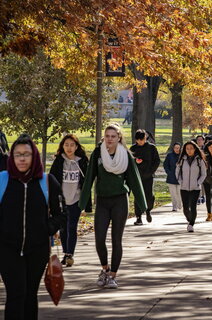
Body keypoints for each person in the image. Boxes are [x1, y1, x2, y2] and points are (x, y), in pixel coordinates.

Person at [0, 134, 66, 319]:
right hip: (7, 249)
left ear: (34, 156)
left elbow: (62, 213)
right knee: (16, 294)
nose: (22, 158)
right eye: (18, 154)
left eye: (26, 154)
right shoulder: (2, 180)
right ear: (11, 157)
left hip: (37, 249)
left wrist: (47, 228)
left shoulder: (47, 182)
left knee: (30, 295)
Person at [79, 123, 147, 289]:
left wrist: (143, 205)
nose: (109, 139)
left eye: (113, 136)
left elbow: (134, 180)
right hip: (102, 200)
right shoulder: (97, 154)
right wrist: (82, 204)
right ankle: (105, 269)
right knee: (99, 239)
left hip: (119, 201)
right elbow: (89, 179)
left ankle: (113, 275)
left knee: (116, 240)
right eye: (107, 136)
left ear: (119, 138)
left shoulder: (126, 155)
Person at [50, 133, 91, 267]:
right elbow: (52, 180)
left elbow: (87, 181)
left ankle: (69, 254)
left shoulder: (82, 160)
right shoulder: (59, 160)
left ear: (76, 146)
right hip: (62, 201)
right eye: (66, 145)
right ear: (62, 146)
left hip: (76, 199)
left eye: (72, 145)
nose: (69, 148)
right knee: (63, 228)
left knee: (71, 227)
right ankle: (65, 252)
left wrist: (86, 202)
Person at [130, 129, 161, 225]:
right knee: (137, 196)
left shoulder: (151, 148)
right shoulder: (133, 148)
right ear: (136, 140)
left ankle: (148, 210)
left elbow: (157, 161)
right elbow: (130, 162)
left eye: (142, 139)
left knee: (149, 195)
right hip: (137, 176)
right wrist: (135, 161)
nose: (141, 142)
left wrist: (151, 171)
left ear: (145, 138)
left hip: (148, 176)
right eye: (138, 140)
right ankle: (138, 217)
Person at [175, 141, 207, 232]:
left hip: (195, 188)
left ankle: (191, 224)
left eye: (191, 148)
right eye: (187, 149)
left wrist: (198, 182)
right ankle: (190, 219)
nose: (189, 150)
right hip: (184, 187)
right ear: (185, 150)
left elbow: (203, 174)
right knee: (185, 208)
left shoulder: (199, 160)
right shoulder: (182, 160)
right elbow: (177, 172)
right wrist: (180, 181)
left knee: (193, 206)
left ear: (195, 149)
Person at [164, 143, 182, 212]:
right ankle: (174, 207)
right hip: (171, 178)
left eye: (178, 148)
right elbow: (165, 165)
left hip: (180, 178)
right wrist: (169, 172)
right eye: (176, 148)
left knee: (179, 193)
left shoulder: (182, 156)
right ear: (173, 148)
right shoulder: (169, 156)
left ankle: (180, 204)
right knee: (173, 193)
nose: (177, 149)